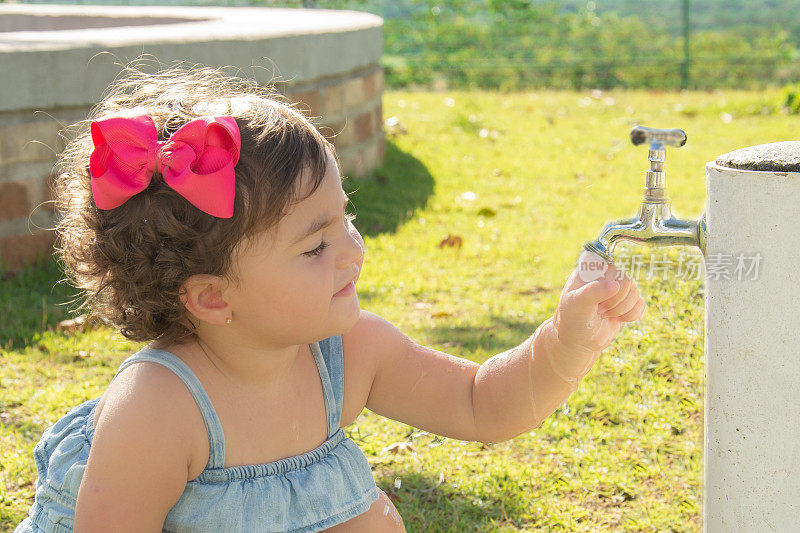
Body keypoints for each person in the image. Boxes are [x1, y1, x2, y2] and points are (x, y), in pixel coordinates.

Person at [15, 64, 645, 533]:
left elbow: (481, 405)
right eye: (314, 246)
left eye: (344, 217)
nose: (351, 248)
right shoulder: (158, 407)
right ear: (212, 298)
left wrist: (565, 342)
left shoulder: (349, 351)